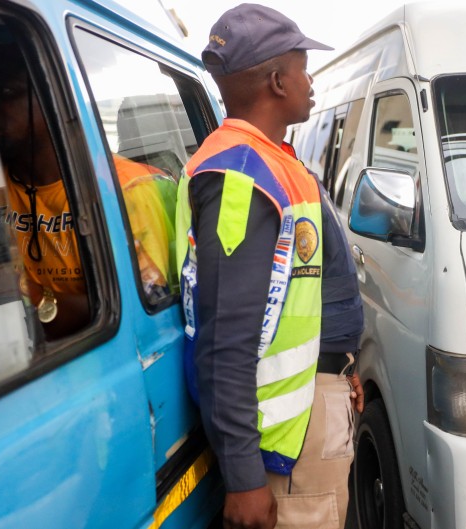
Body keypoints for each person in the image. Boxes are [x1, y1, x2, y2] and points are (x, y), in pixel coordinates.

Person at [174, 4, 364, 529]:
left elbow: (299, 293)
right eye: (304, 67)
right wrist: (244, 478)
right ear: (278, 81)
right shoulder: (242, 174)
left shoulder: (271, 159)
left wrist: (339, 368)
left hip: (307, 410)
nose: (311, 82)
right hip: (283, 444)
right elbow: (226, 338)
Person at [0, 43, 177, 339]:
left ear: (53, 101)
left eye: (6, 94)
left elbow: (141, 320)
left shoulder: (129, 190)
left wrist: (14, 290)